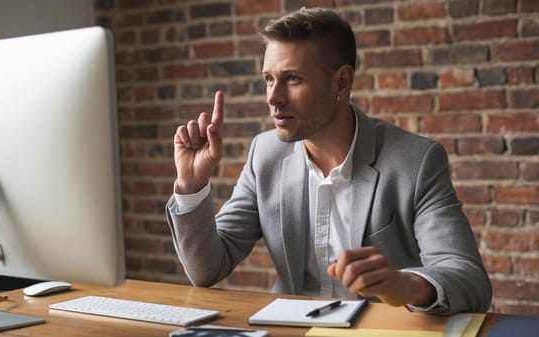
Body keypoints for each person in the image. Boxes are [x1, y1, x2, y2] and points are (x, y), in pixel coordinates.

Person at [165, 7, 491, 315]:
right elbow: (207, 270)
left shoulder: (416, 161)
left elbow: (469, 279)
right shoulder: (265, 155)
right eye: (268, 78)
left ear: (341, 82)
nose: (273, 97)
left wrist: (405, 285)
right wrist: (191, 185)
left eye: (292, 78)